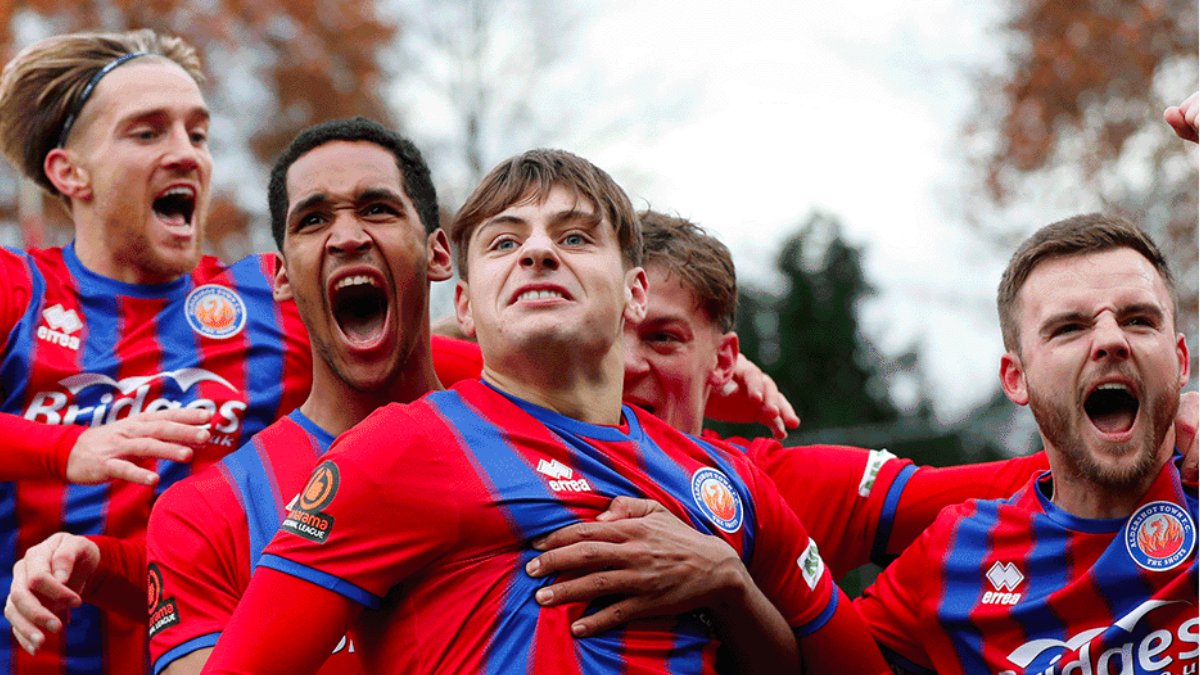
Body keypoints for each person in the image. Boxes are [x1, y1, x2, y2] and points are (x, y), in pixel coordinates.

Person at [205, 149, 890, 674]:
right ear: (467, 307)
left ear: (633, 292)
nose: (537, 250)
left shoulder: (726, 481)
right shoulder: (398, 448)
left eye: (576, 237)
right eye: (504, 242)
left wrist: (730, 586)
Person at [524, 210, 1196, 638]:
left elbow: (1044, 483)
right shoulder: (485, 444)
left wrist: (1174, 429)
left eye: (666, 338)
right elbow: (428, 360)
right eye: (611, 337)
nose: (632, 363)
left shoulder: (781, 483)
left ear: (723, 359)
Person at [0, 29, 313, 672]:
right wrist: (68, 449)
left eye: (197, 135)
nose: (186, 155)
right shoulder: (18, 291)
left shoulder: (273, 300)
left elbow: (488, 383)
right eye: (147, 133)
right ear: (69, 172)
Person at [141, 117, 453, 674]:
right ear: (281, 277)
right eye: (312, 219)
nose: (349, 237)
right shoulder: (204, 514)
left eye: (377, 208)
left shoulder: (540, 441)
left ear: (438, 254)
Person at [855, 213, 1197, 674]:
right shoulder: (955, 554)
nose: (1111, 340)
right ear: (1017, 379)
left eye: (1138, 320)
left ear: (1179, 361)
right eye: (1070, 328)